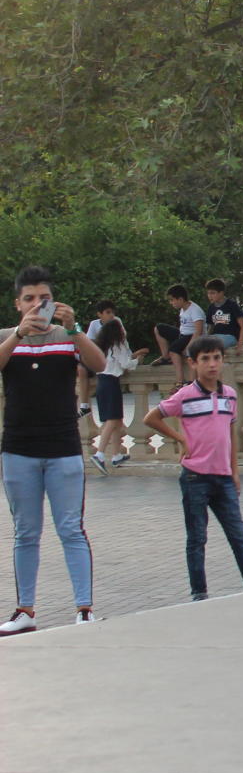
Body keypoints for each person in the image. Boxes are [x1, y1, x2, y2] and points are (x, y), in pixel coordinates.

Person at [0, 266, 107, 635]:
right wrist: (17, 334)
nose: (36, 305)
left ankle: (84, 608)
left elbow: (99, 364)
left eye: (42, 298)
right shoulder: (7, 338)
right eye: (28, 299)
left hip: (63, 448)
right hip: (18, 449)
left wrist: (76, 328)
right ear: (17, 303)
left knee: (71, 530)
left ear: (53, 301)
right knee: (25, 532)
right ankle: (25, 610)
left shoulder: (67, 336)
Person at [144, 336, 243, 601]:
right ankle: (199, 593)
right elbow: (151, 418)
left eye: (217, 358)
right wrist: (181, 439)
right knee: (197, 539)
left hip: (223, 478)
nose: (212, 365)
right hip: (195, 477)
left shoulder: (229, 395)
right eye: (205, 359)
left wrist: (235, 472)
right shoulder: (185, 396)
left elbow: (230, 435)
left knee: (239, 536)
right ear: (193, 363)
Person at [89, 315, 146, 473]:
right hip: (111, 383)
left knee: (116, 419)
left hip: (102, 382)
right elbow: (125, 364)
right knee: (113, 420)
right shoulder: (118, 345)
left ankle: (116, 454)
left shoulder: (102, 346)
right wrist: (138, 360)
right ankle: (100, 454)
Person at [151, 284, 206, 382]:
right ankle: (165, 357)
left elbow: (199, 331)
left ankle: (181, 381)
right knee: (158, 328)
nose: (171, 303)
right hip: (183, 334)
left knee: (173, 350)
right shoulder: (183, 308)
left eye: (172, 300)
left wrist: (189, 346)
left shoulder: (195, 310)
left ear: (180, 299)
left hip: (193, 336)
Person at [203, 279, 243, 352]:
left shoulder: (232, 305)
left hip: (230, 337)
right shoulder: (211, 307)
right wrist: (206, 338)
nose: (209, 296)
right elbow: (211, 327)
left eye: (213, 293)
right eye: (208, 293)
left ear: (221, 293)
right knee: (198, 345)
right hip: (215, 336)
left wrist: (240, 344)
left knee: (214, 346)